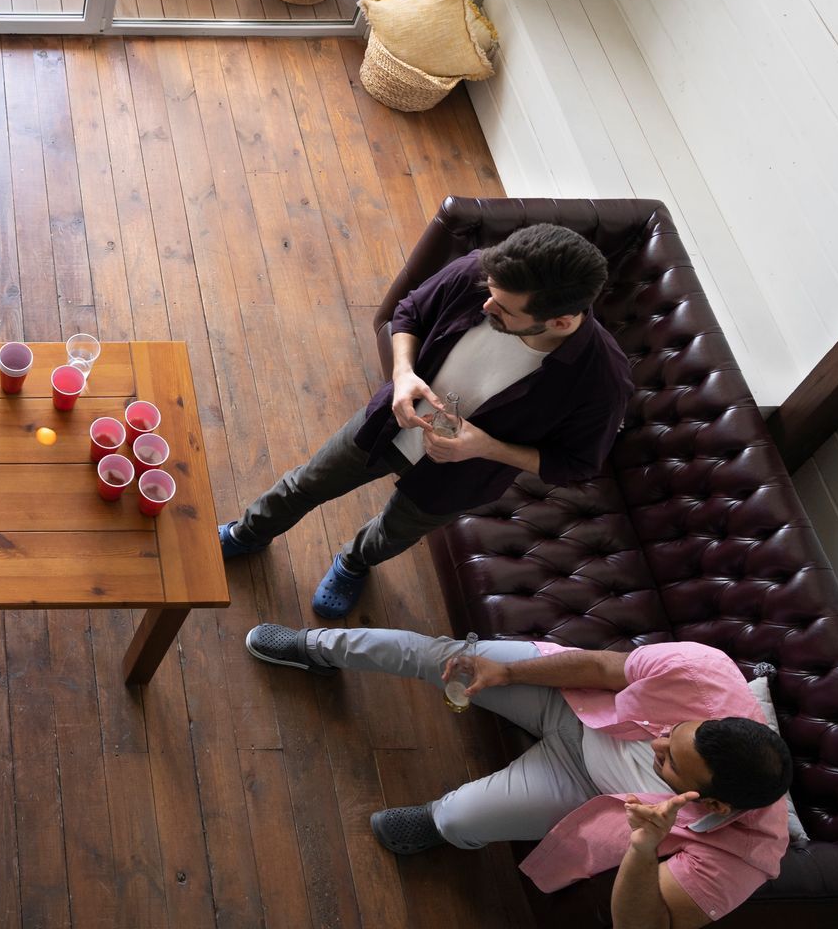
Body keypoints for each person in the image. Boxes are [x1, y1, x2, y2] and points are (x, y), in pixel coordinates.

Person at [243, 623, 794, 928]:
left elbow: (643, 928)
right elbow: (604, 668)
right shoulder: (708, 671)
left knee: (461, 818)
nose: (656, 741)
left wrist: (643, 848)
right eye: (672, 732)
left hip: (588, 790)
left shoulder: (742, 856)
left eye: (668, 761)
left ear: (714, 805)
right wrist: (504, 670)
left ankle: (440, 825)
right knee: (450, 658)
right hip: (579, 704)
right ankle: (317, 647)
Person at [217, 223, 633, 617]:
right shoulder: (481, 272)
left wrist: (484, 447)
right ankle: (248, 533)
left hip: (462, 476)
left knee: (394, 533)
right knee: (308, 482)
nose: (486, 304)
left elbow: (575, 464)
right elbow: (410, 313)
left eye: (503, 309)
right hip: (389, 420)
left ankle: (353, 563)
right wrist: (402, 375)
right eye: (489, 291)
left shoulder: (602, 381)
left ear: (560, 322)